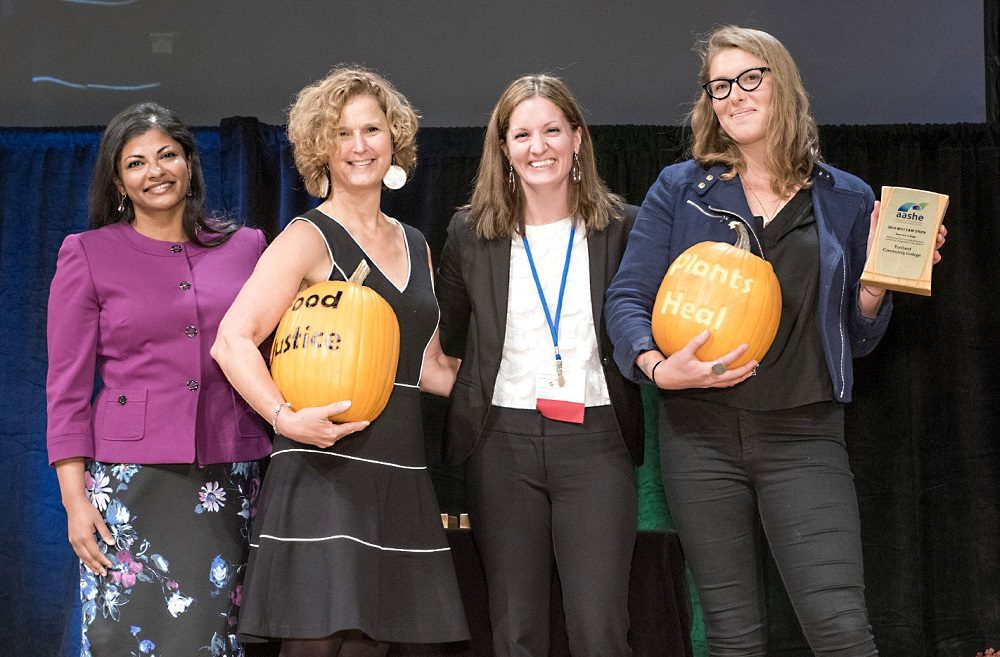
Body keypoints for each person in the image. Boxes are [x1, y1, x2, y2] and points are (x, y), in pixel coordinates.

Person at [606, 26, 947, 657]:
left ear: (781, 82)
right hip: (700, 439)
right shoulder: (681, 189)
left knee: (841, 628)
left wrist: (876, 286)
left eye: (749, 78)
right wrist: (656, 368)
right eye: (718, 86)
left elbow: (859, 336)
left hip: (804, 435)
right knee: (733, 636)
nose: (733, 95)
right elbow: (626, 300)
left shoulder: (846, 196)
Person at [211, 67, 468, 657]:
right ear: (320, 147)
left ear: (393, 139)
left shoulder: (416, 243)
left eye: (372, 129)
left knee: (373, 645)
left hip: (397, 468)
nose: (359, 146)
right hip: (324, 466)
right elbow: (233, 339)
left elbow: (425, 366)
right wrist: (283, 417)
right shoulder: (308, 236)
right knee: (317, 643)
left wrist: (510, 387)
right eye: (342, 132)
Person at [46, 102, 271, 656]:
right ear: (118, 180)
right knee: (121, 636)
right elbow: (67, 390)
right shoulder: (88, 253)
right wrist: (76, 503)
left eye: (167, 155)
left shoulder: (248, 248)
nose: (156, 171)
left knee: (216, 637)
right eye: (136, 163)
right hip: (130, 485)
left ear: (190, 163)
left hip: (228, 473)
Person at [436, 74, 644, 657]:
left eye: (552, 129)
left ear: (577, 138)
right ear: (503, 148)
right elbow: (451, 339)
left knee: (600, 626)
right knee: (515, 628)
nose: (538, 146)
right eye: (521, 134)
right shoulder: (468, 233)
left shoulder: (623, 226)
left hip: (596, 439)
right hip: (500, 443)